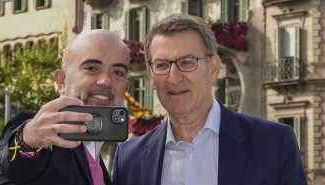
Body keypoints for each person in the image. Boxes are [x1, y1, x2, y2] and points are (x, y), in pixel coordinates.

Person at [112, 14, 307, 185]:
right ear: (151, 75)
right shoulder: (128, 160)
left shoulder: (274, 144)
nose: (174, 77)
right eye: (162, 65)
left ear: (213, 68)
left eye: (186, 62)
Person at [0, 29, 130, 185]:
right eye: (91, 68)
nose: (106, 81)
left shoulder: (101, 164)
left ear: (126, 88)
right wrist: (27, 141)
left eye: (118, 72)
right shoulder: (43, 135)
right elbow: (13, 165)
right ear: (62, 81)